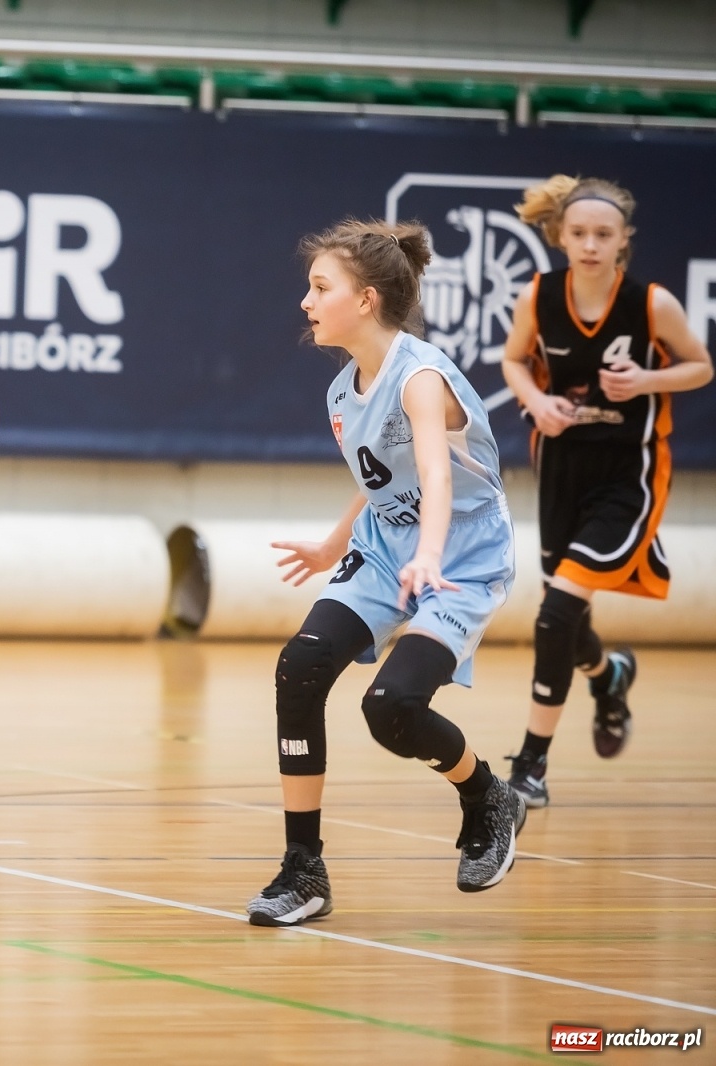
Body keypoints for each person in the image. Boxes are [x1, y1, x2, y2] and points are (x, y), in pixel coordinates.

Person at [247, 219, 526, 928]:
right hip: (384, 544)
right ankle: (302, 868)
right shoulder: (345, 391)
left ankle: (486, 793)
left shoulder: (421, 377)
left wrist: (430, 554)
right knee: (300, 667)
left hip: (461, 552)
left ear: (365, 299)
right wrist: (329, 545)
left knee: (390, 710)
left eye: (319, 288)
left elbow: (435, 472)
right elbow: (382, 478)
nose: (305, 302)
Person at [501, 176, 712, 807]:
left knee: (556, 613)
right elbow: (514, 361)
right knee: (565, 618)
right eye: (580, 234)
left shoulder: (652, 304)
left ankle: (531, 766)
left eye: (604, 235)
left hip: (629, 473)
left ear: (623, 242)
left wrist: (647, 379)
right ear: (560, 236)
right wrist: (537, 401)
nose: (590, 244)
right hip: (562, 466)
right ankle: (610, 674)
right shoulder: (537, 297)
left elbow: (701, 366)